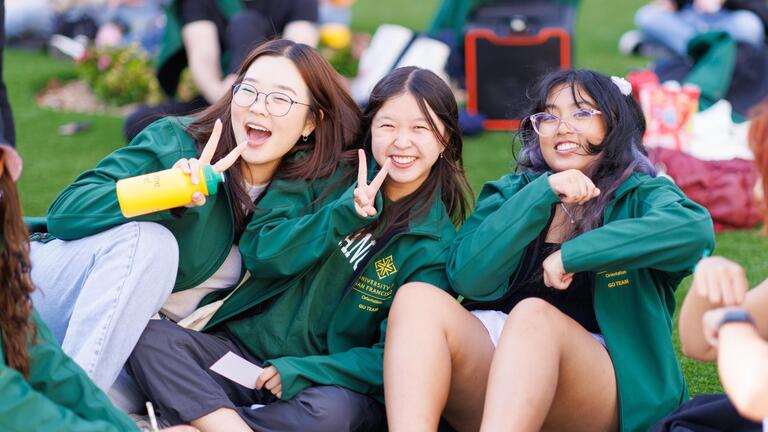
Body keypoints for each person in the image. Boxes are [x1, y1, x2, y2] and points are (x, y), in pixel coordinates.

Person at [125, 66, 472, 432]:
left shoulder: (434, 243)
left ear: (445, 138)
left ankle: (204, 418)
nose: (402, 142)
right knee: (149, 337)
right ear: (370, 128)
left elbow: (392, 359)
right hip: (244, 363)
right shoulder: (323, 171)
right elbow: (261, 251)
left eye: (420, 128)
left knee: (333, 412)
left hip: (321, 383)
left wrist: (301, 371)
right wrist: (340, 217)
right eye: (388, 126)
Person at [29, 39, 361, 401]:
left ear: (310, 122)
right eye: (247, 90)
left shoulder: (305, 194)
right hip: (54, 289)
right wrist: (168, 191)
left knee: (133, 400)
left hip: (130, 341)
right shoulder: (179, 142)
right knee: (153, 244)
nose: (258, 108)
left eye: (280, 99)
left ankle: (67, 401)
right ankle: (71, 414)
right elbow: (67, 212)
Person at [384, 69, 715, 431]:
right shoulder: (513, 191)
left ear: (615, 124)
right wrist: (542, 194)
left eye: (581, 113)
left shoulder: (641, 193)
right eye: (549, 116)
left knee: (533, 316)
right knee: (416, 298)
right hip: (504, 375)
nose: (562, 126)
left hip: (603, 385)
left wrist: (575, 254)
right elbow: (469, 277)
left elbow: (693, 229)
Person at [0, 143, 197, 432]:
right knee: (151, 243)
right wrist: (167, 190)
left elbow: (50, 368)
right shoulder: (174, 139)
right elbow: (13, 408)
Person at [123, 0, 319, 141]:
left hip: (276, 103)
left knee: (246, 24)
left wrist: (258, 94)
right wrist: (232, 98)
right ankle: (226, 137)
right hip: (222, 98)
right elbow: (203, 56)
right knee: (141, 122)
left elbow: (298, 56)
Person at [628, 0, 765, 56]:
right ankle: (703, 50)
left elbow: (761, 13)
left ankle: (664, 48)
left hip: (726, 23)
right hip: (690, 22)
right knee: (647, 15)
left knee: (749, 25)